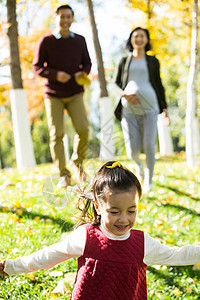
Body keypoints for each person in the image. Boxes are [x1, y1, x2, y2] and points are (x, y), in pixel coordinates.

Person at [0, 161, 199, 299]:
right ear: (97, 206)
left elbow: (177, 255)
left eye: (132, 210)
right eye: (114, 211)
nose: (124, 219)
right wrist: (11, 267)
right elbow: (48, 256)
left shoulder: (142, 243)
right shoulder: (86, 237)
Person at [33, 4, 92, 187]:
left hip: (75, 92)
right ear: (55, 18)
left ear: (72, 18)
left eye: (68, 17)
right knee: (57, 134)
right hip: (53, 94)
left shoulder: (80, 40)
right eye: (62, 17)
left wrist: (80, 74)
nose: (65, 20)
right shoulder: (46, 41)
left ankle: (78, 164)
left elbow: (87, 64)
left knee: (83, 129)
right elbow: (37, 67)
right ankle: (63, 175)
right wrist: (55, 74)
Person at [113, 27, 169, 193]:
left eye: (142, 36)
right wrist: (126, 95)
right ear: (131, 39)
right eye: (135, 36)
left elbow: (158, 84)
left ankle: (149, 180)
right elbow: (115, 84)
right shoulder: (124, 60)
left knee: (149, 145)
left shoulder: (153, 61)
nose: (138, 39)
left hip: (150, 108)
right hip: (129, 111)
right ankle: (139, 165)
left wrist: (164, 107)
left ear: (146, 39)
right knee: (133, 150)